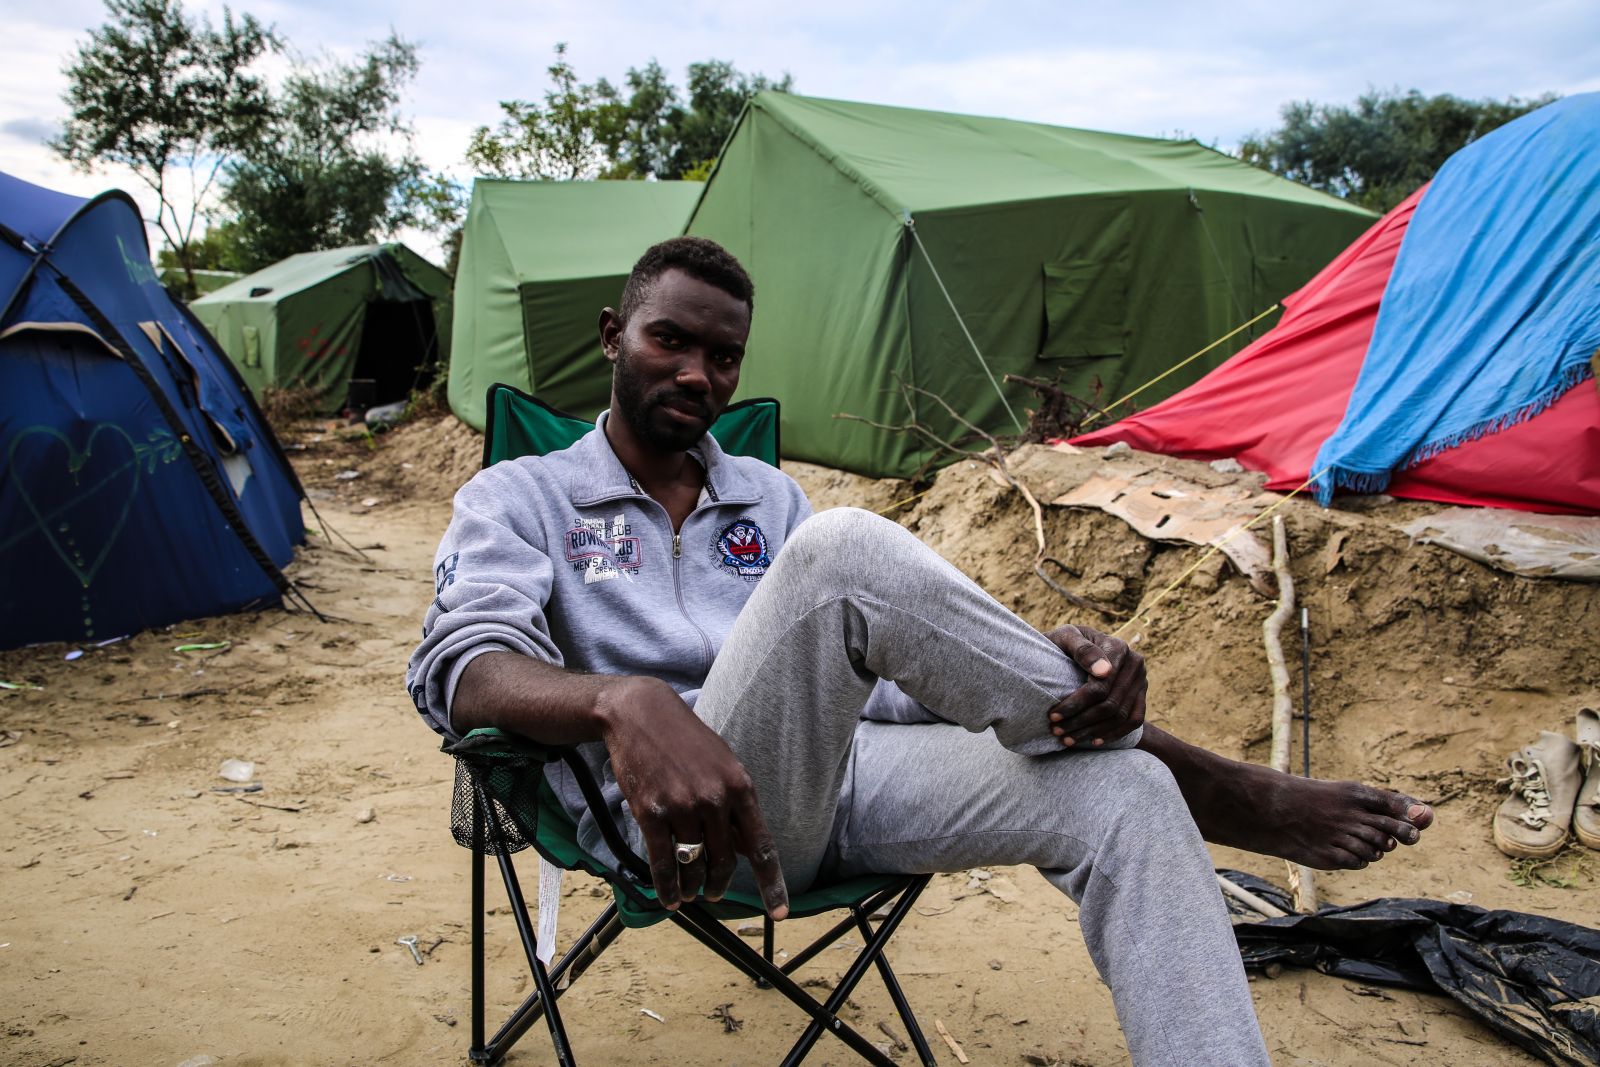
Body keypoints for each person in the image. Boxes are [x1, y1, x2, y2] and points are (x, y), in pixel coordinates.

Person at [407, 237, 1433, 1066]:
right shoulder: (520, 496)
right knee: (845, 548)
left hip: (843, 777)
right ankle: (1227, 786)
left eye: (722, 356)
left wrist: (1030, 662)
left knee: (1124, 789)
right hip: (687, 825)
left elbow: (861, 672)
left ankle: (1135, 746)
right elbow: (460, 665)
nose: (696, 372)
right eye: (668, 340)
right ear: (610, 336)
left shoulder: (765, 499)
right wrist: (618, 700)